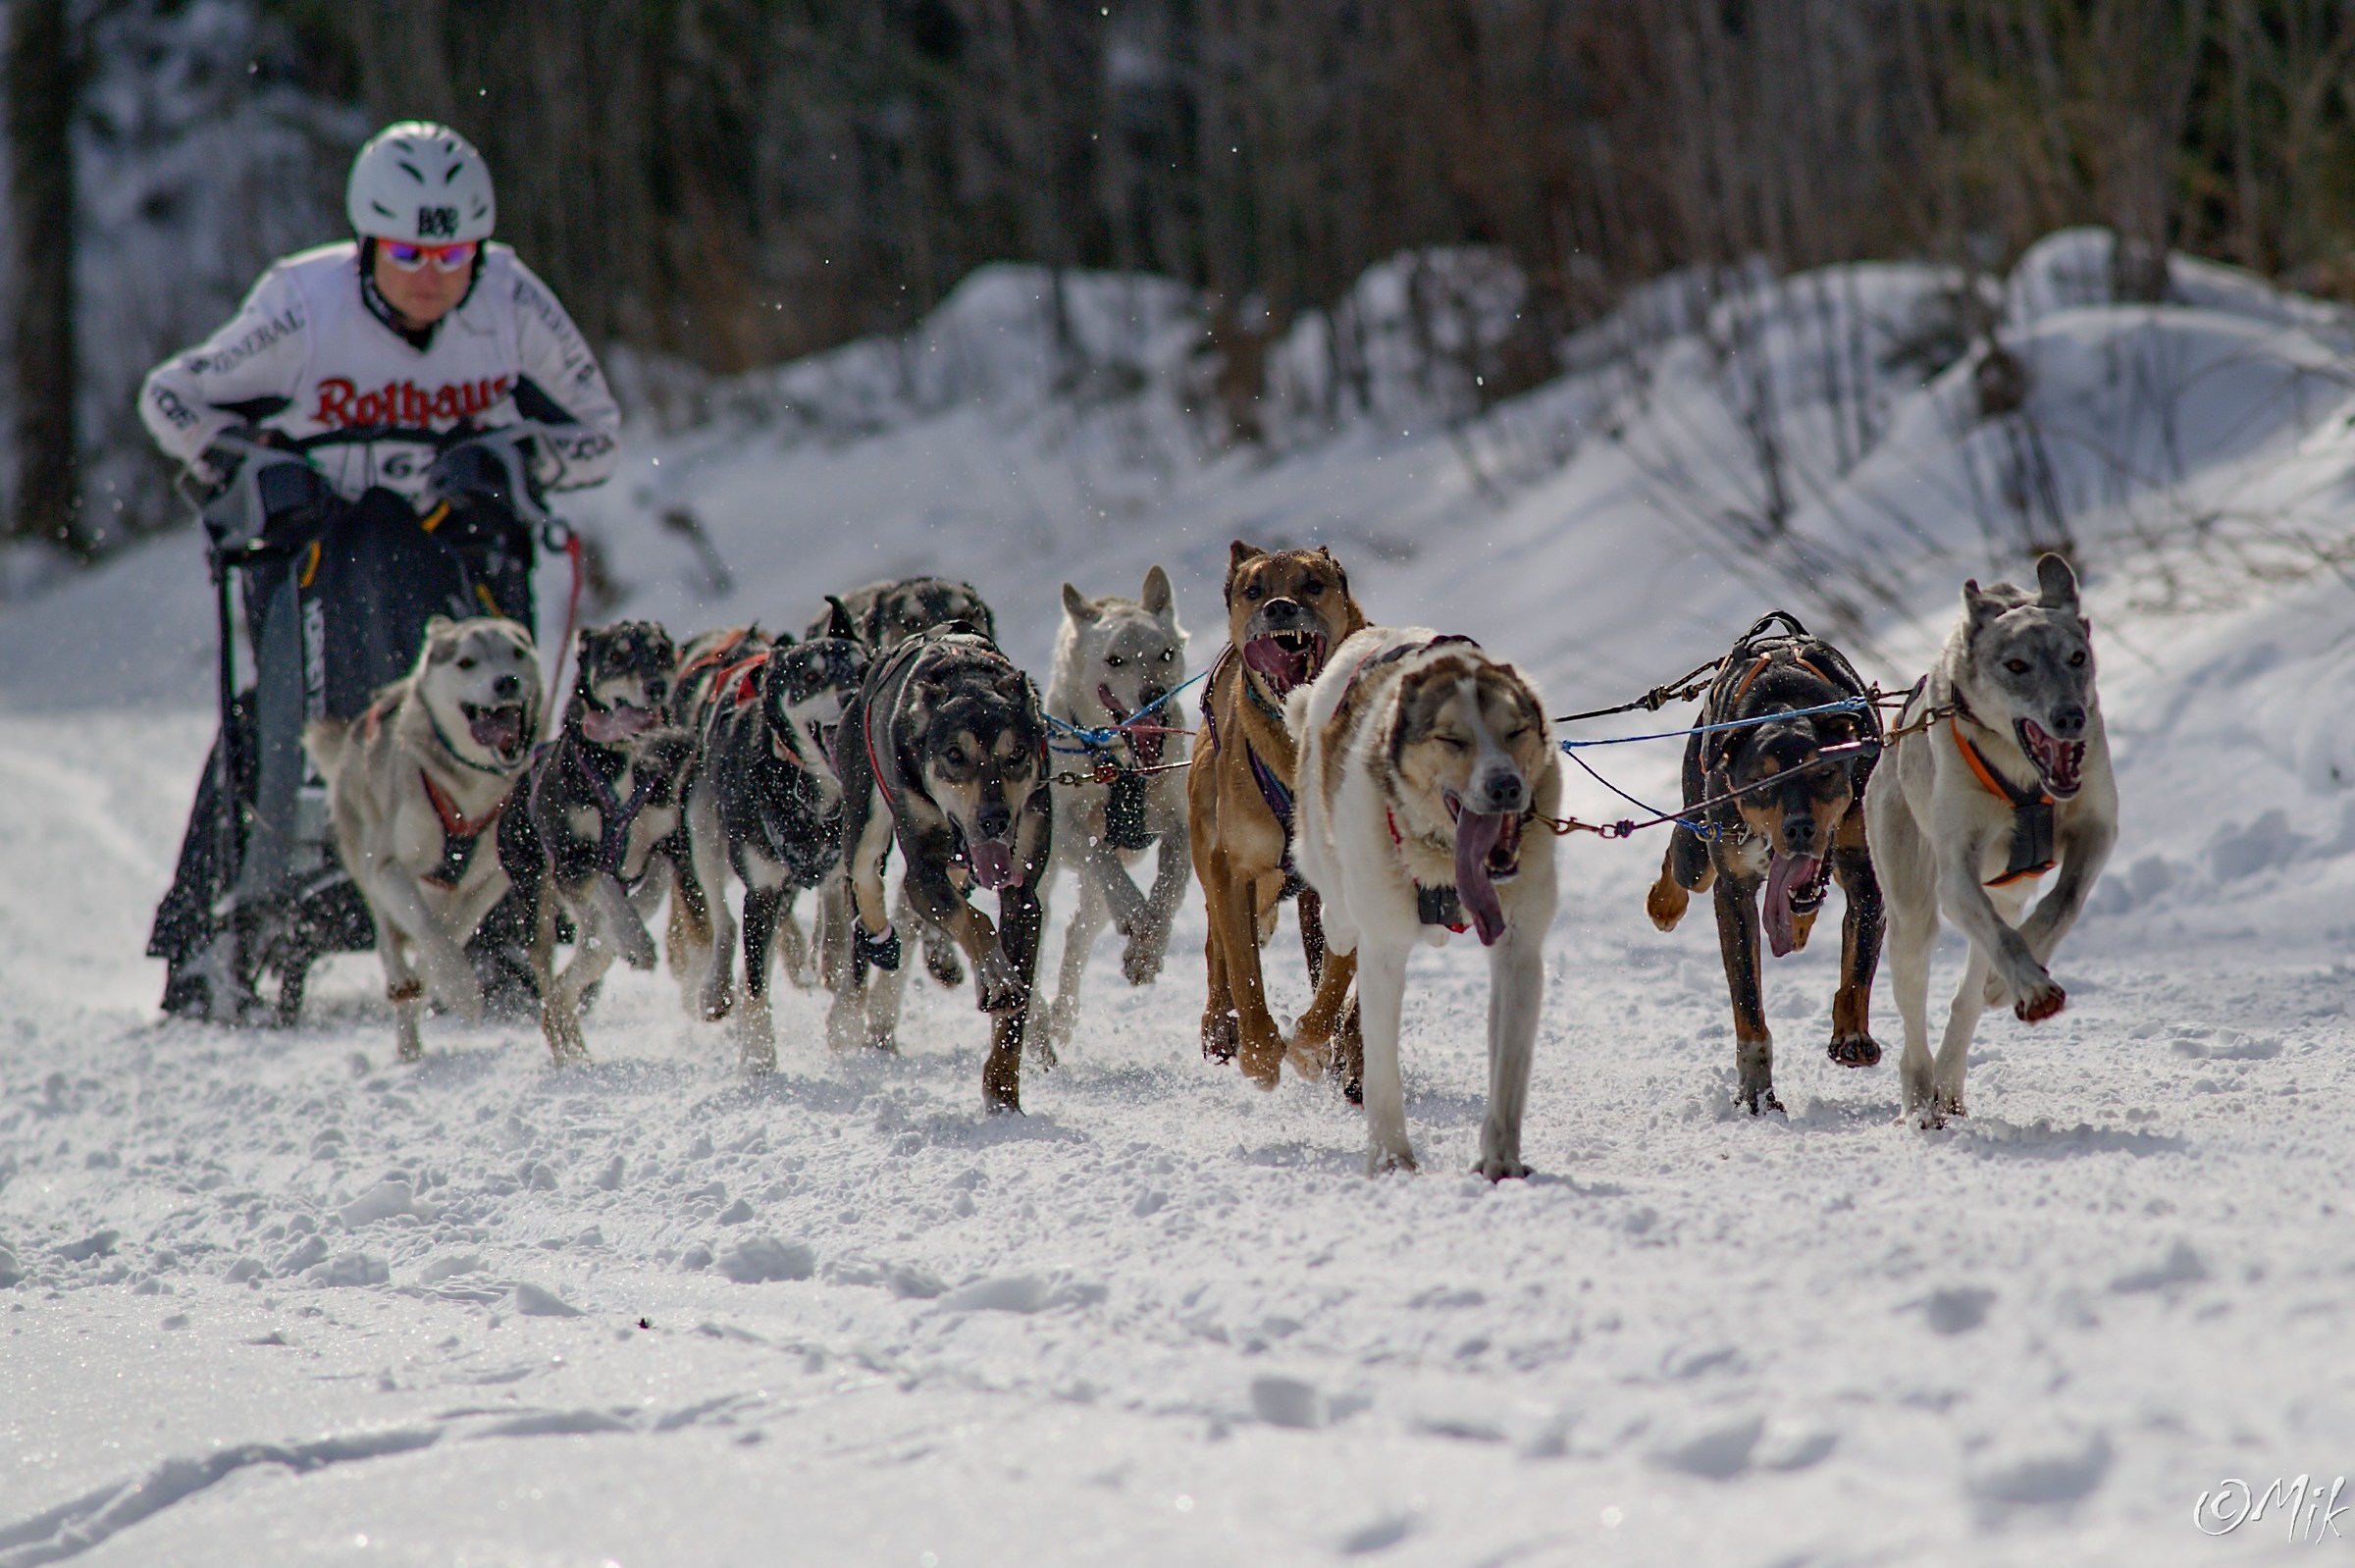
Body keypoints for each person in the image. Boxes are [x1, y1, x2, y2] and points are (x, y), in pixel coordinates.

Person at [141, 121, 622, 1021]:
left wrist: (512, 462)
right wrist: (251, 465)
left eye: (455, 252)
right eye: (407, 250)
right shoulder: (302, 301)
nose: (434, 273)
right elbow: (170, 398)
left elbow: (595, 431)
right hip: (321, 562)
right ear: (367, 242)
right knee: (274, 709)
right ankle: (215, 932)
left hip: (462, 567)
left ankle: (515, 918)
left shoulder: (510, 298)